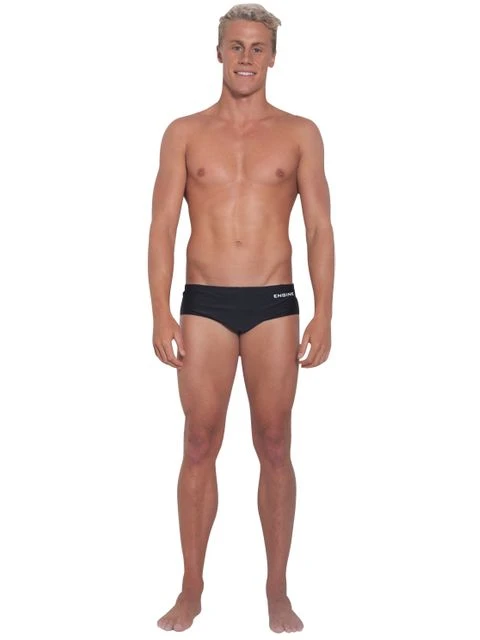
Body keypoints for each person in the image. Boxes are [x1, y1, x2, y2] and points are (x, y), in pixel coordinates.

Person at [148, 3, 334, 633]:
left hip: (273, 302)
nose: (246, 57)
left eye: (257, 47)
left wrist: (325, 313)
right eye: (236, 46)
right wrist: (159, 312)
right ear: (219, 53)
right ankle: (191, 588)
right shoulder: (184, 132)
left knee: (275, 443)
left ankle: (277, 591)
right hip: (203, 303)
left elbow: (319, 227)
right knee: (199, 442)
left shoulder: (300, 132)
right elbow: (162, 226)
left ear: (273, 57)